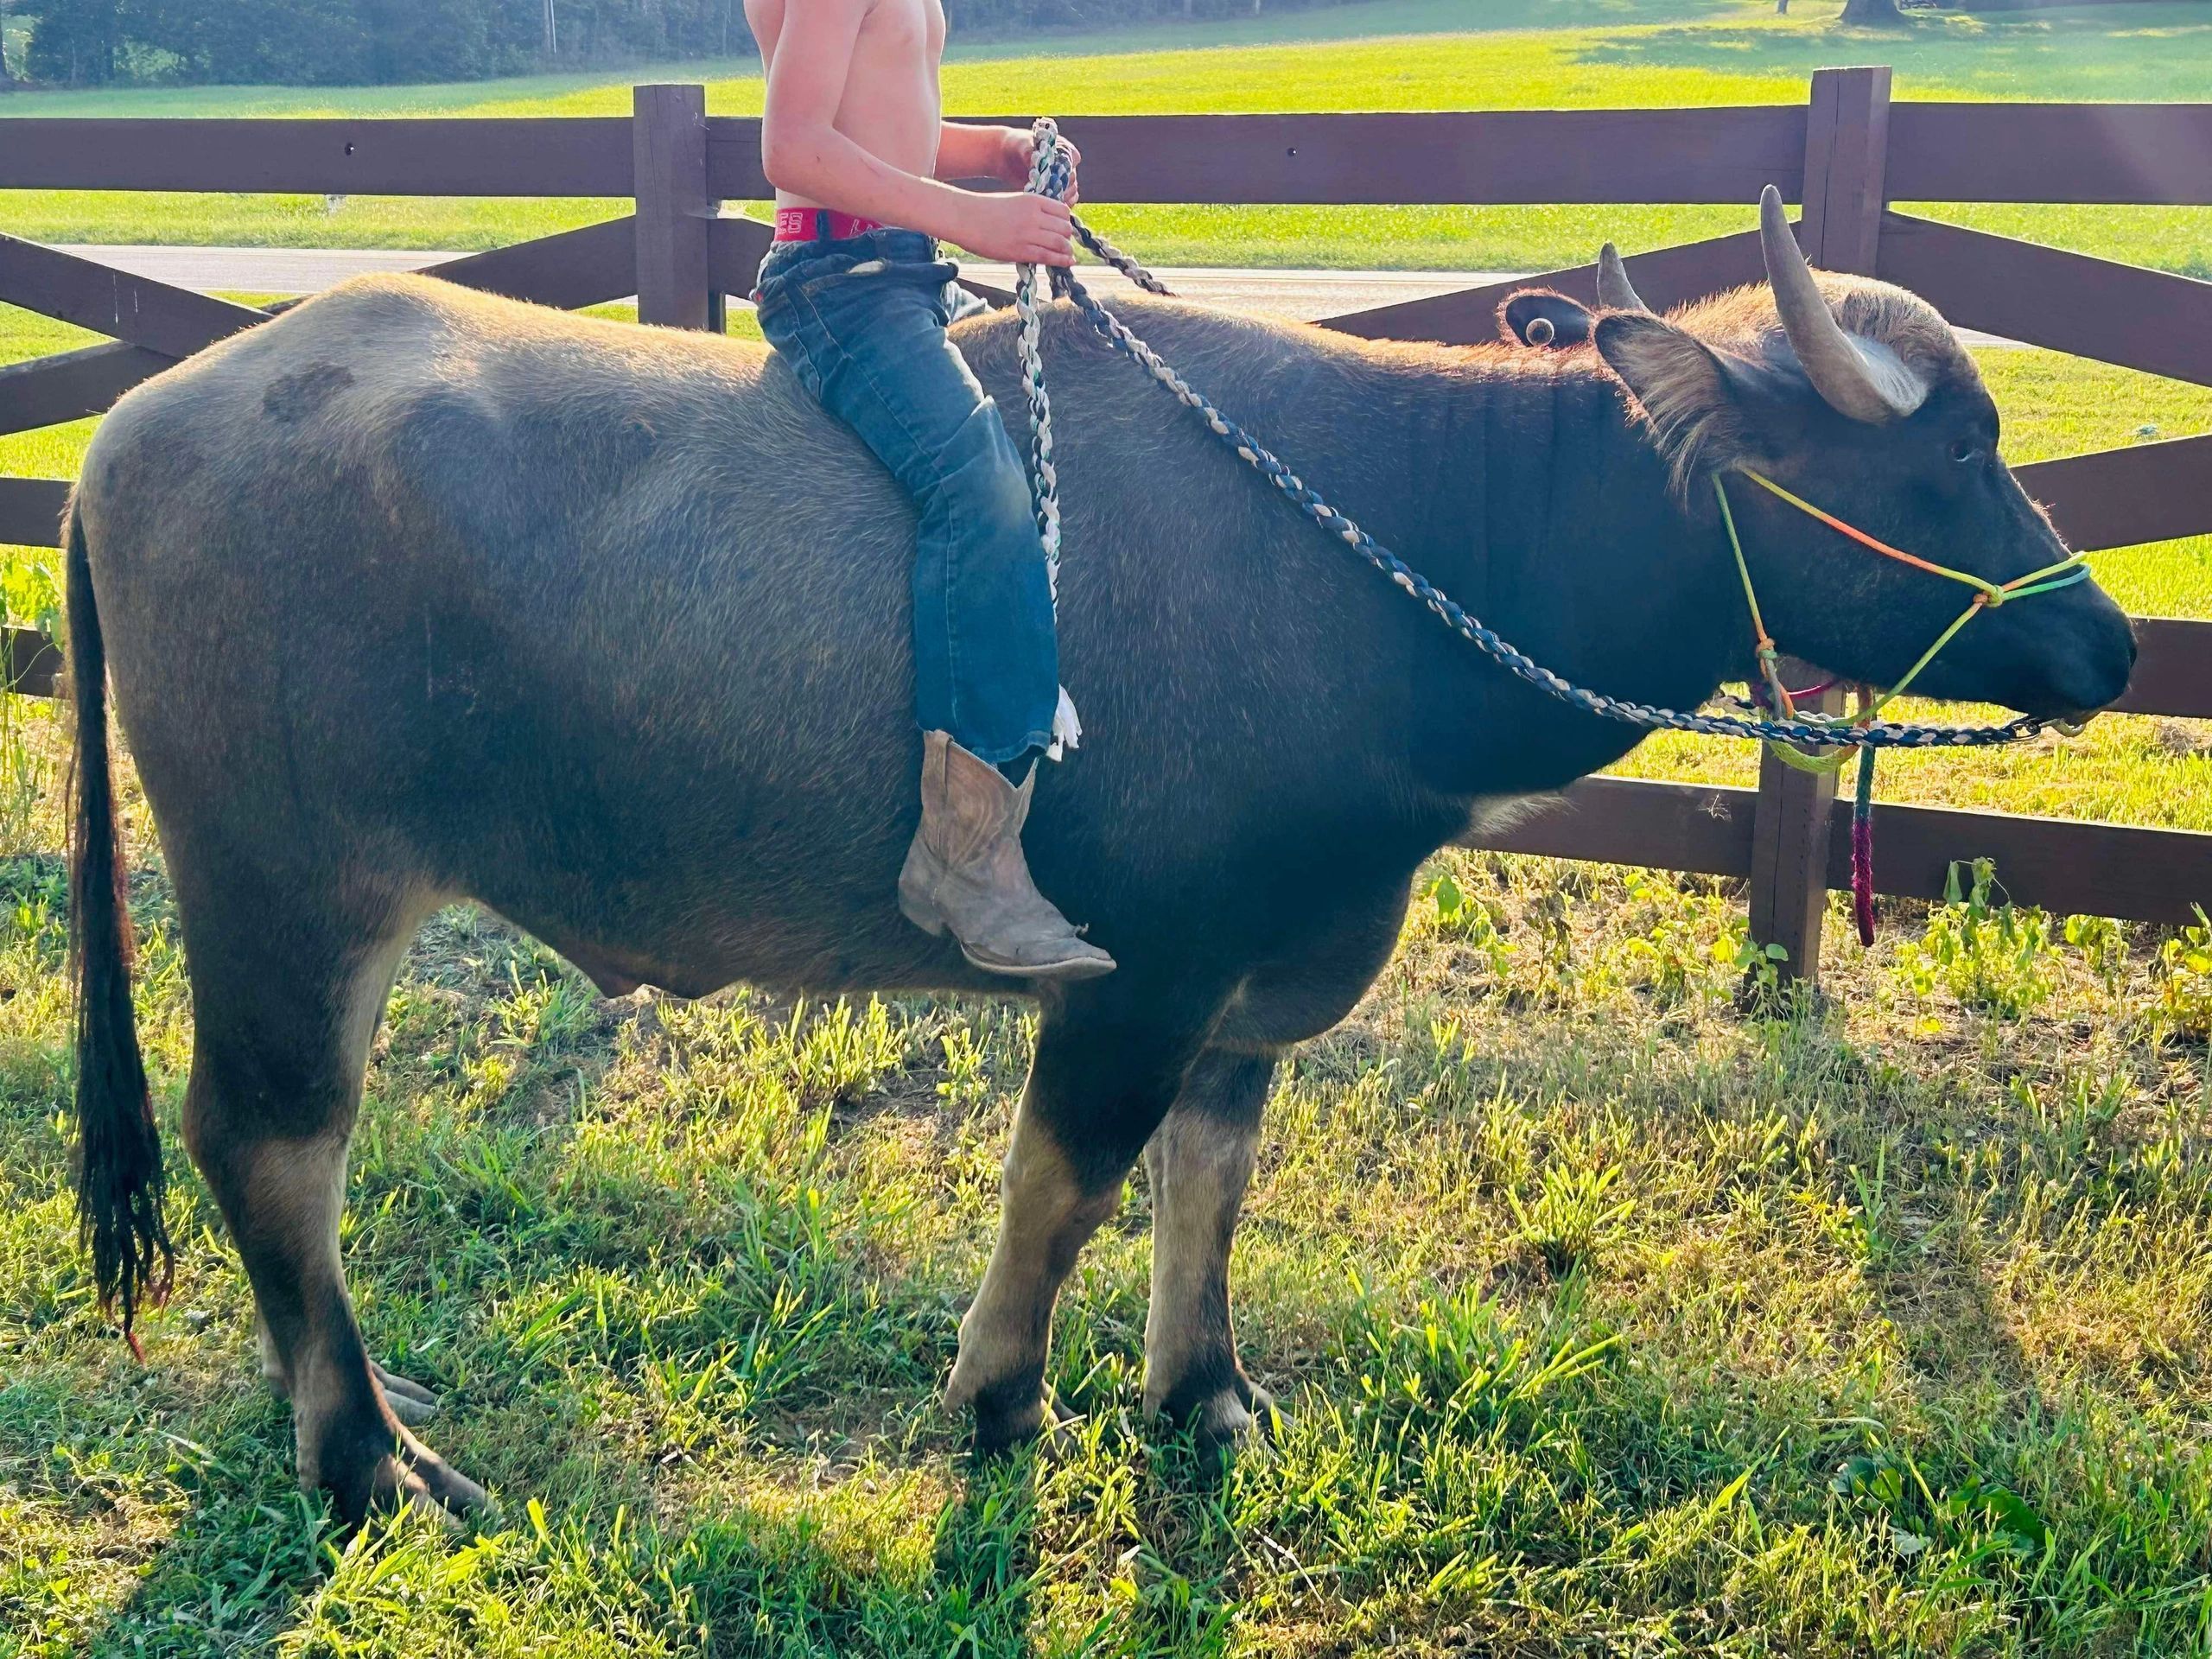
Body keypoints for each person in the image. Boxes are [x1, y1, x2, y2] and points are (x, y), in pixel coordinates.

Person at [744, 0, 1115, 982]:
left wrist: (991, 150)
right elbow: (793, 148)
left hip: (897, 270)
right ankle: (964, 857)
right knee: (979, 490)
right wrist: (978, 222)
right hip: (842, 285)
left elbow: (879, 120)